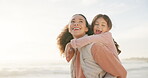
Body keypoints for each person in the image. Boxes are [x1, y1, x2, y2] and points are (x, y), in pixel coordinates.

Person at [57, 14, 127, 78]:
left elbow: (121, 73)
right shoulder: (75, 50)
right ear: (69, 28)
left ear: (86, 29)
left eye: (81, 21)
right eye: (73, 21)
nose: (76, 23)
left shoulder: (95, 47)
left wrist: (70, 44)